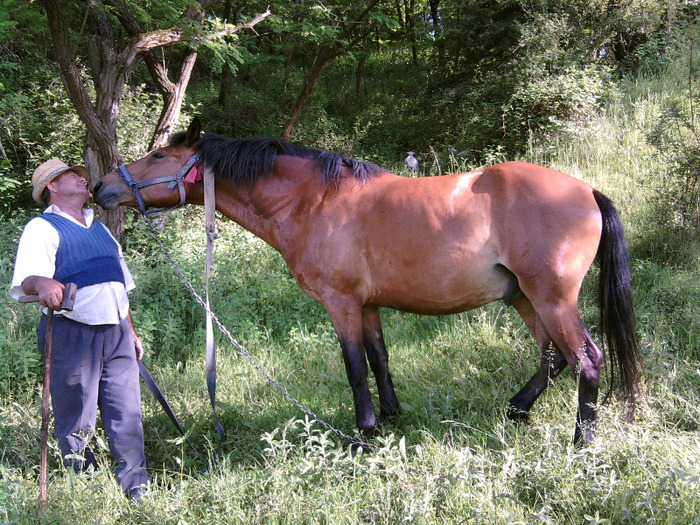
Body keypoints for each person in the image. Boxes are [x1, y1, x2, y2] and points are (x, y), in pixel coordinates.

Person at [10, 158, 149, 500]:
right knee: (77, 413)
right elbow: (26, 280)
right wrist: (42, 282)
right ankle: (83, 486)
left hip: (116, 332)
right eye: (71, 175)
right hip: (71, 332)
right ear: (52, 188)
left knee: (126, 410)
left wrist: (130, 331)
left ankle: (137, 487)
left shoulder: (101, 230)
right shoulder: (41, 228)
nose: (82, 179)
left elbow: (120, 285)